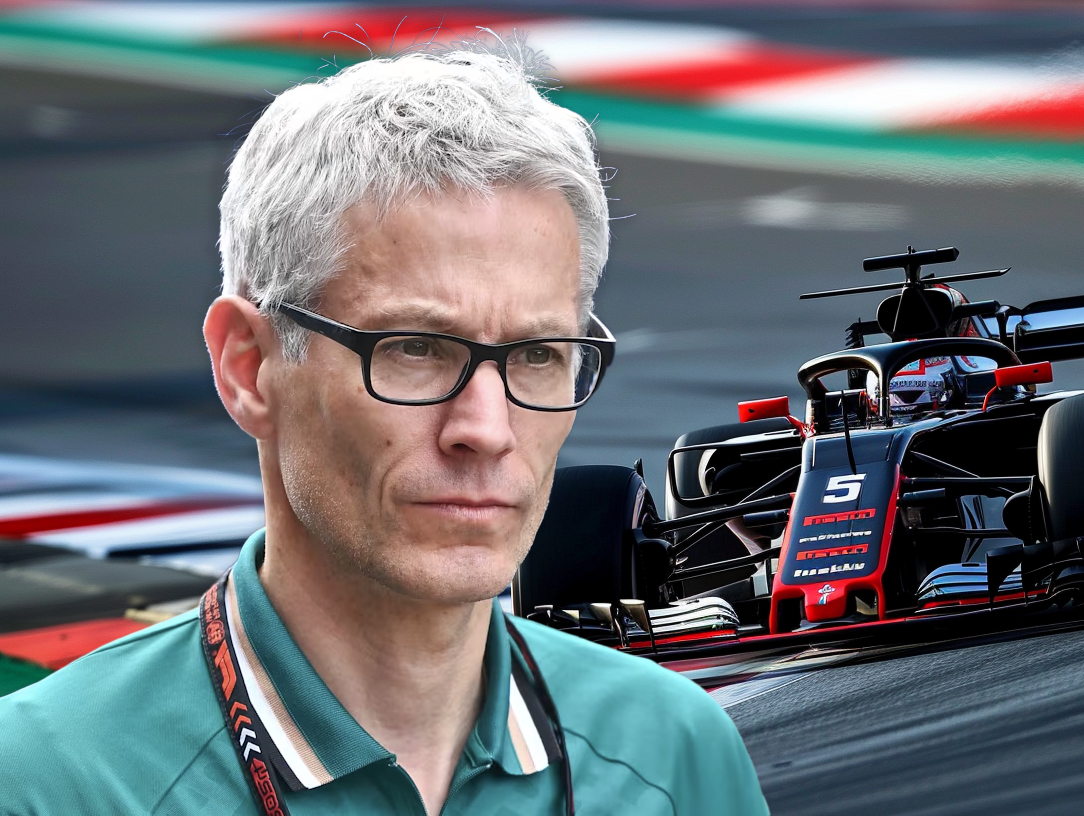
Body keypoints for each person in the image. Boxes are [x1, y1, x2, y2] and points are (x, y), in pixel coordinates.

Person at [0, 40, 769, 816]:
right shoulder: (43, 782)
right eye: (414, 349)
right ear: (248, 368)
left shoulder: (676, 755)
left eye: (538, 354)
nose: (488, 429)